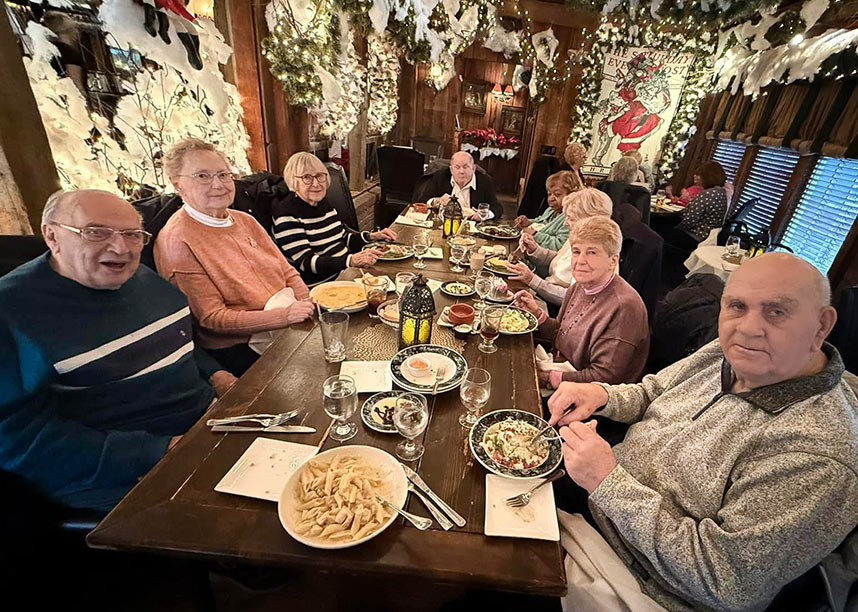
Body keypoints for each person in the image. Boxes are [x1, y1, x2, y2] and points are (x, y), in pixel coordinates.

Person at [547, 252, 858, 612]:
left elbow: (725, 581)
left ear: (822, 325)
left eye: (776, 312)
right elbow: (653, 391)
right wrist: (602, 395)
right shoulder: (730, 353)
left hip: (632, 578)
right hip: (596, 499)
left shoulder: (819, 453)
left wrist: (607, 481)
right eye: (737, 306)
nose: (748, 327)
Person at [0, 189, 235, 512]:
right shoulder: (11, 312)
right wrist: (159, 450)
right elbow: (15, 439)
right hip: (121, 472)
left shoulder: (139, 277)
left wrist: (217, 376)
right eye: (95, 232)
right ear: (51, 235)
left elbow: (173, 340)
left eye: (132, 234)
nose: (120, 248)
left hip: (207, 428)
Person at [155, 139, 314, 377]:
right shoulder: (177, 241)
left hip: (290, 321)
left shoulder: (244, 220)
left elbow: (288, 271)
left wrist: (307, 305)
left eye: (223, 174)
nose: (218, 184)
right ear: (178, 185)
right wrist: (286, 316)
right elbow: (212, 319)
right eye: (202, 176)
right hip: (244, 347)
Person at [514, 216, 649, 387]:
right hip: (559, 368)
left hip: (584, 400)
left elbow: (604, 378)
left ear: (612, 261)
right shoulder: (579, 286)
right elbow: (561, 333)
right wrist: (537, 314)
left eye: (592, 252)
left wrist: (544, 378)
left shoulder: (625, 308)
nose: (580, 261)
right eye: (576, 251)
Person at [272, 152, 397, 287]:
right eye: (306, 178)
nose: (316, 184)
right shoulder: (286, 214)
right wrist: (350, 260)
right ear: (293, 180)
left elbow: (343, 238)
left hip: (348, 273)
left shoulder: (323, 204)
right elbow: (306, 263)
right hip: (324, 284)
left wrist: (372, 236)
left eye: (320, 176)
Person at [509, 188, 613, 306]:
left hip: (552, 307)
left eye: (571, 218)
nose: (565, 223)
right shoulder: (581, 237)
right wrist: (535, 249)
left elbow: (573, 298)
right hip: (543, 294)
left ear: (589, 220)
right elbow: (560, 259)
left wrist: (532, 280)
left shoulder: (595, 255)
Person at [422, 151, 502, 220]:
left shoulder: (484, 181)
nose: (461, 171)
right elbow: (423, 200)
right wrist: (437, 201)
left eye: (465, 167)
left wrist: (483, 215)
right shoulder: (440, 177)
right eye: (457, 167)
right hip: (444, 221)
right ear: (451, 169)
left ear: (473, 168)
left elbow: (497, 208)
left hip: (471, 224)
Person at [513, 171, 580, 251]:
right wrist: (528, 222)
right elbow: (541, 222)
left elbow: (558, 246)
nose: (551, 199)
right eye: (549, 194)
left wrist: (535, 234)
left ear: (571, 195)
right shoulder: (551, 210)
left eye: (557, 194)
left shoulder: (570, 219)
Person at [669, 160, 728, 246]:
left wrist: (675, 228)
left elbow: (689, 220)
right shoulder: (722, 193)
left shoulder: (707, 194)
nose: (696, 177)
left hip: (695, 236)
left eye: (699, 175)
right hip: (708, 238)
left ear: (707, 177)